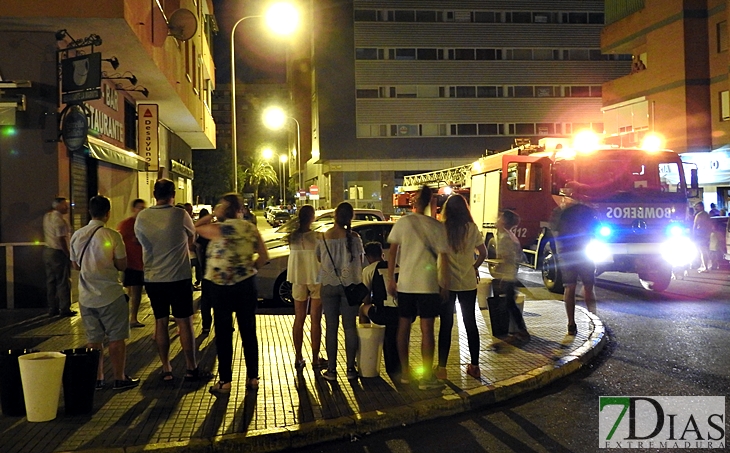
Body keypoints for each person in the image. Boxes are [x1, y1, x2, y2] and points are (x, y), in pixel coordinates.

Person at [134, 179, 210, 382]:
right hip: (178, 276)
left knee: (160, 321)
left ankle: (166, 368)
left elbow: (140, 241)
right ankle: (191, 367)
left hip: (153, 277)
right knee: (184, 322)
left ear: (154, 194)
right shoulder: (179, 214)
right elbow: (192, 238)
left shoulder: (142, 216)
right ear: (172, 194)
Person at [196, 194, 268, 395]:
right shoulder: (250, 229)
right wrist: (247, 268)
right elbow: (263, 256)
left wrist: (212, 214)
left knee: (224, 334)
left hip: (221, 287)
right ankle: (253, 378)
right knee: (248, 332)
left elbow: (194, 227)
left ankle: (225, 382)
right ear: (241, 209)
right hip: (246, 285)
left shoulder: (220, 229)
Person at [70, 195, 139, 390]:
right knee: (116, 338)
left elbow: (75, 265)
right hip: (111, 295)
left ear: (90, 212)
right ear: (107, 213)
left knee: (93, 341)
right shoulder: (112, 235)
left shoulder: (77, 235)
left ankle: (98, 378)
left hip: (86, 297)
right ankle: (119, 377)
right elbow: (122, 265)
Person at [387, 186, 450, 390]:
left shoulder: (403, 223)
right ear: (431, 202)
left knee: (403, 327)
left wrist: (391, 279)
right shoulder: (436, 226)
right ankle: (426, 377)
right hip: (428, 285)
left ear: (414, 202)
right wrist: (445, 284)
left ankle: (405, 373)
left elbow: (392, 252)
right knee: (427, 330)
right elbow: (444, 258)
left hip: (405, 283)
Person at [436, 194, 487, 380]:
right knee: (470, 322)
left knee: (446, 325)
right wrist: (474, 267)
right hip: (467, 283)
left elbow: (441, 257)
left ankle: (441, 369)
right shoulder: (471, 228)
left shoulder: (442, 229)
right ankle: (475, 366)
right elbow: (483, 252)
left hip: (445, 283)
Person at [316, 202, 364, 381]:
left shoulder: (323, 237)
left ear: (334, 216)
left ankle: (332, 370)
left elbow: (319, 258)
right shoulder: (355, 238)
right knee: (350, 326)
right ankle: (351, 369)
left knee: (331, 327)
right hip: (349, 285)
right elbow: (360, 261)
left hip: (328, 285)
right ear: (350, 217)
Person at [287, 205, 325, 370]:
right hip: (316, 277)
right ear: (312, 217)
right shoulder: (317, 237)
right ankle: (315, 359)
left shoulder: (292, 237)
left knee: (299, 318)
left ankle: (298, 357)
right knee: (315, 319)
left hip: (298, 278)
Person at [553, 202, 599, 335]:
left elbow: (555, 229)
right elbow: (597, 229)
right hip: (579, 252)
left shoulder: (562, 211)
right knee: (584, 286)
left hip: (569, 253)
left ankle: (575, 323)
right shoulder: (586, 210)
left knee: (573, 287)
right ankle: (588, 320)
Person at [359, 241, 402, 379]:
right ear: (382, 254)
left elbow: (366, 297)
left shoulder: (368, 270)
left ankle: (366, 343)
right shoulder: (396, 266)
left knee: (362, 308)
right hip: (402, 312)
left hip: (382, 313)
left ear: (368, 257)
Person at [492, 210, 530, 343]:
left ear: (504, 222)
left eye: (500, 218)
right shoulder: (510, 235)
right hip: (511, 273)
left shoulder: (505, 238)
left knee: (510, 304)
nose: (497, 220)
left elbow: (506, 258)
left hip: (508, 275)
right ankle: (518, 330)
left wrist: (499, 272)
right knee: (509, 304)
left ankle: (521, 330)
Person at [117, 198, 147, 328]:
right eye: (139, 208)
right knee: (134, 292)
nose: (141, 210)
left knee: (135, 292)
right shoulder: (126, 225)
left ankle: (131, 317)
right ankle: (132, 318)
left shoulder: (145, 224)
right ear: (133, 209)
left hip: (144, 263)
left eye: (143, 208)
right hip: (132, 263)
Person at [43, 197, 75, 317]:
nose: (67, 207)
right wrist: (68, 253)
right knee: (63, 281)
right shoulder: (59, 220)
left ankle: (52, 308)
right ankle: (64, 308)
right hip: (58, 252)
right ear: (57, 206)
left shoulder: (47, 216)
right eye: (64, 205)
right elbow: (61, 239)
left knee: (51, 281)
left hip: (47, 251)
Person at [195, 208, 213, 333]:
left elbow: (196, 226)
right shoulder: (217, 230)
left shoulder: (205, 232)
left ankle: (206, 325)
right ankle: (223, 326)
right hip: (222, 271)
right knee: (220, 301)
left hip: (207, 267)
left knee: (206, 298)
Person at [693, 201, 713, 273]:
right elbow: (710, 225)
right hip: (706, 235)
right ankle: (706, 265)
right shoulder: (707, 214)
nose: (696, 208)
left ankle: (705, 266)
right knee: (705, 251)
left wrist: (693, 235)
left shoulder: (699, 215)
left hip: (700, 236)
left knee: (702, 251)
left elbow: (695, 226)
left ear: (701, 207)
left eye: (697, 206)